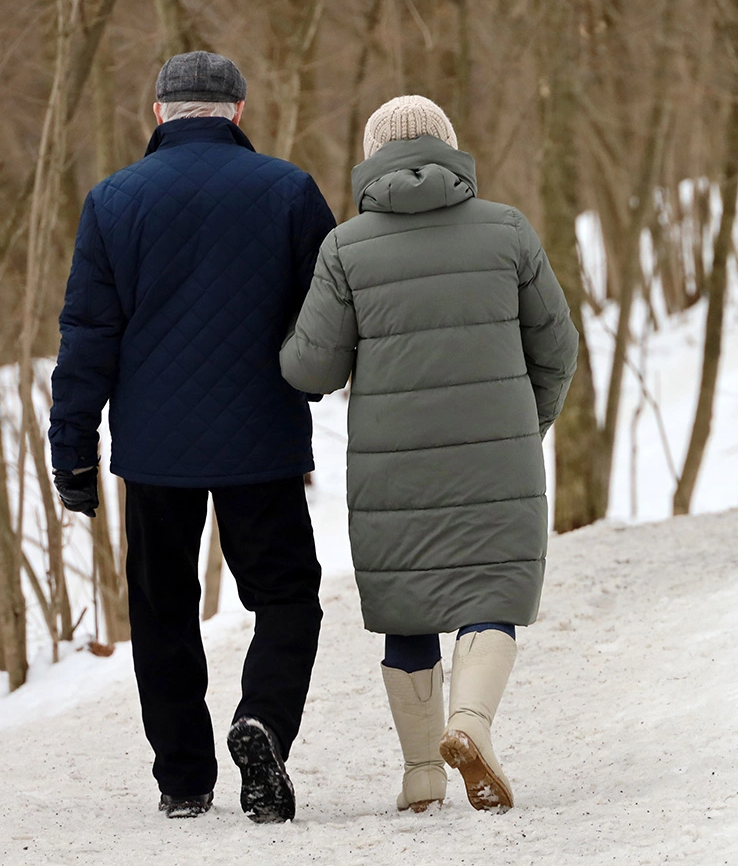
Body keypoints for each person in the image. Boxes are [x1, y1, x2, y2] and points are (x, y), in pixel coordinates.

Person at [48, 51, 337, 823]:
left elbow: (88, 335)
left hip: (155, 451)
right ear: (237, 111)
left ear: (159, 113)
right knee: (287, 597)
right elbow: (329, 315)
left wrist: (72, 447)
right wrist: (313, 383)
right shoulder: (289, 190)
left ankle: (182, 780)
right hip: (261, 439)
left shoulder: (113, 201)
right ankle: (263, 722)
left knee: (162, 609)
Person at [281, 95, 578, 813]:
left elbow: (311, 370)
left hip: (392, 466)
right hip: (497, 459)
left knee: (407, 606)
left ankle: (421, 773)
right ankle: (470, 724)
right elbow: (558, 347)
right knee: (490, 595)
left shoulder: (345, 248)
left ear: (372, 158)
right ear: (450, 148)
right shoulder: (507, 230)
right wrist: (525, 426)